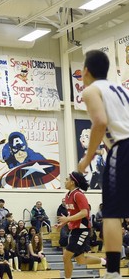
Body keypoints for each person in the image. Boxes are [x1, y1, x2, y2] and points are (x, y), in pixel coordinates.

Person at [78, 49, 129, 279]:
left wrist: (87, 159)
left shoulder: (91, 90)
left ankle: (112, 273)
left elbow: (99, 122)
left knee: (111, 213)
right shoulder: (123, 90)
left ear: (86, 71)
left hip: (124, 147)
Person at [57, 171, 106, 279]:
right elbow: (73, 214)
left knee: (66, 256)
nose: (65, 181)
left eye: (67, 179)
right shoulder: (67, 195)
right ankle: (104, 261)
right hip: (74, 230)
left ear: (73, 182)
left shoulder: (78, 194)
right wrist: (63, 223)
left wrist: (67, 219)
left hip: (82, 230)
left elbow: (84, 212)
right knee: (80, 260)